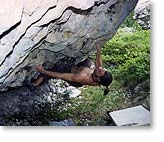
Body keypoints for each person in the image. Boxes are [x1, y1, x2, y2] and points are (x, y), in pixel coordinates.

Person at [33, 42, 113, 95]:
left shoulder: (81, 77)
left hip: (75, 78)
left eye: (99, 71)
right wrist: (98, 49)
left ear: (98, 79)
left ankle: (36, 84)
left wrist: (42, 70)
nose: (100, 68)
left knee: (54, 69)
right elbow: (99, 65)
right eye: (102, 69)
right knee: (87, 61)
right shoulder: (100, 75)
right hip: (84, 70)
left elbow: (60, 75)